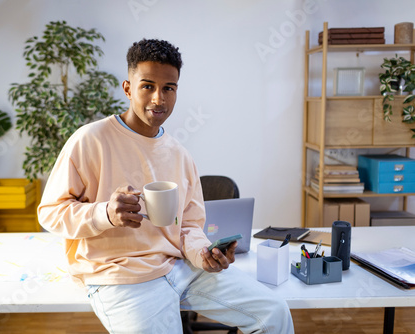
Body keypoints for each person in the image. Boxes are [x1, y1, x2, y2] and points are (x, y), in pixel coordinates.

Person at [37, 38, 294, 334]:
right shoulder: (89, 140)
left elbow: (189, 226)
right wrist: (105, 213)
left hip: (180, 268)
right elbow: (50, 213)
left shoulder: (180, 155)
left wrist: (204, 255)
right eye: (147, 86)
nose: (159, 98)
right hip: (120, 275)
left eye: (168, 88)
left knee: (275, 313)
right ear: (128, 88)